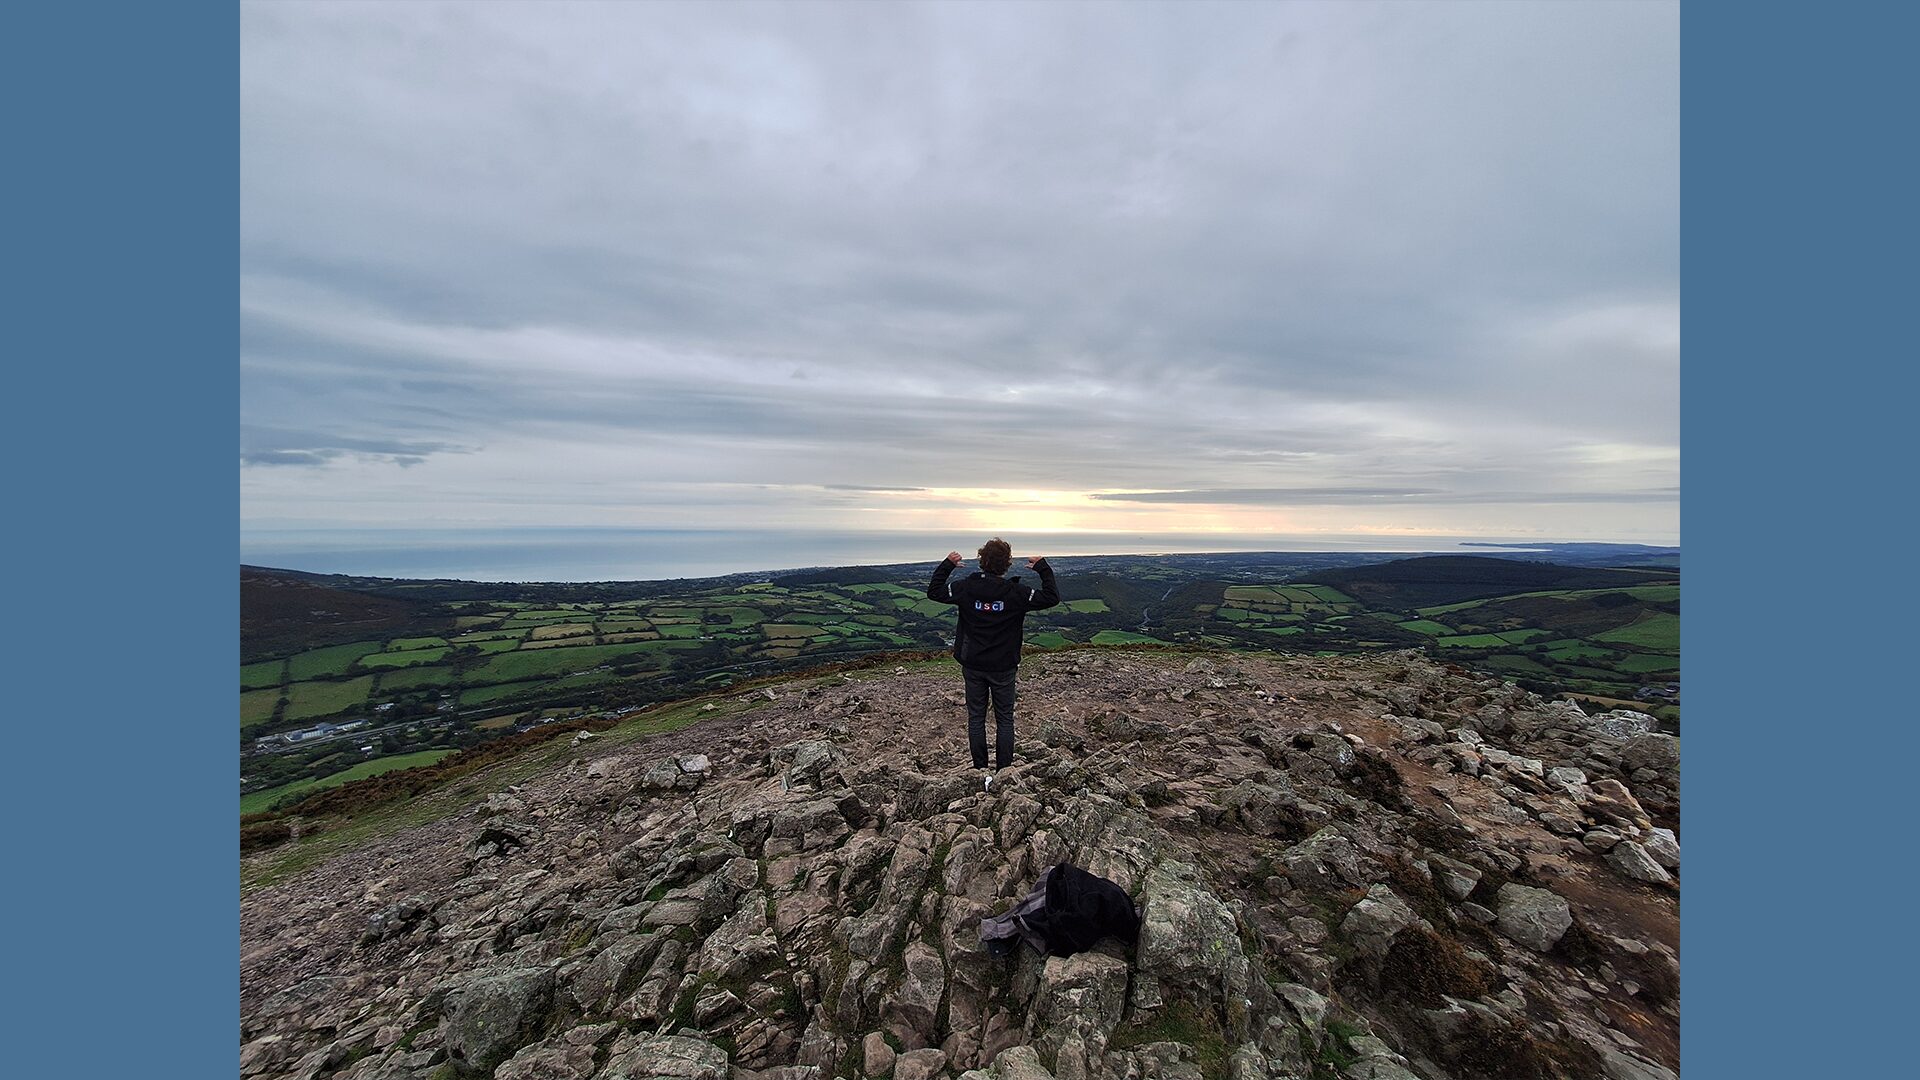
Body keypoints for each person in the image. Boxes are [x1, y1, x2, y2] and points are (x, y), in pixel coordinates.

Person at [927, 538, 1059, 786]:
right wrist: (1043, 568)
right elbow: (1052, 597)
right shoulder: (1017, 593)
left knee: (976, 718)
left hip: (973, 664)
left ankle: (980, 772)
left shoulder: (966, 587)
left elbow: (934, 592)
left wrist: (947, 565)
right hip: (1003, 667)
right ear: (1007, 564)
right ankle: (1004, 773)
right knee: (1005, 719)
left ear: (981, 561)